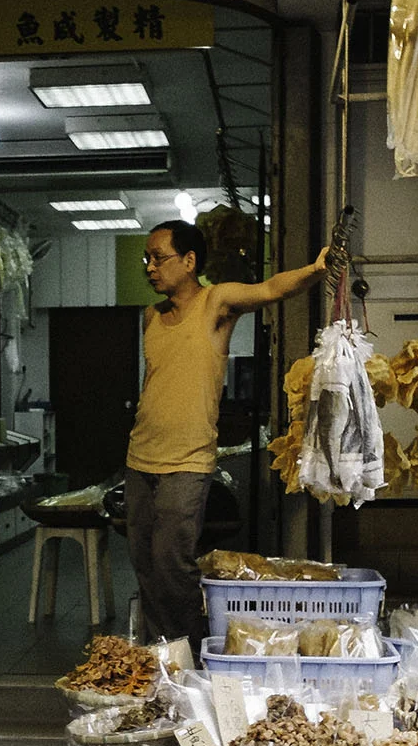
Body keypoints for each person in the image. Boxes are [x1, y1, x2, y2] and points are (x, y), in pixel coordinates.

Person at [126, 219, 330, 647]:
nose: (150, 267)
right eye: (147, 259)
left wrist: (315, 270)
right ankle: (159, 655)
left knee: (171, 561)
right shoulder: (150, 317)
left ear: (189, 261)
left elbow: (271, 289)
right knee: (144, 562)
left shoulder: (214, 303)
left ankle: (190, 653)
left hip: (187, 461)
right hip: (140, 458)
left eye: (158, 258)